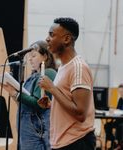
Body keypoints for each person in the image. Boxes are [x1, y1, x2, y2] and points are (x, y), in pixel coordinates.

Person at [38, 17, 96, 150]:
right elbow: (68, 101)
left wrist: (52, 89)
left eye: (52, 35)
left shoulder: (78, 67)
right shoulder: (64, 67)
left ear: (66, 39)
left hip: (77, 142)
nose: (47, 39)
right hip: (63, 142)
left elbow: (81, 114)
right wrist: (52, 104)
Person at [3, 40, 57, 150]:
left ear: (45, 56)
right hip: (28, 127)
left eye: (34, 55)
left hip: (36, 128)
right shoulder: (33, 76)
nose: (30, 59)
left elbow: (38, 102)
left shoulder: (48, 73)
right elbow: (23, 103)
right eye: (29, 56)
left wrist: (16, 93)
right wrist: (12, 92)